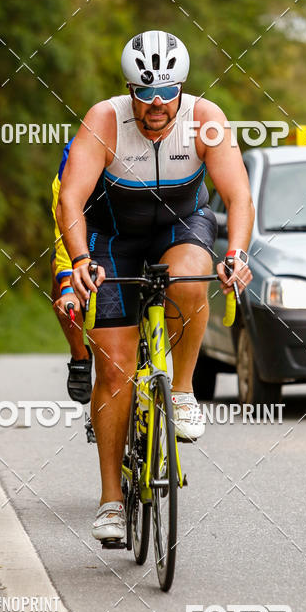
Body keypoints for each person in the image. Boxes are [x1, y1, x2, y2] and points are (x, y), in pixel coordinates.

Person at [57, 30, 255, 542]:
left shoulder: (206, 120)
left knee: (191, 276)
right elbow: (71, 199)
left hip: (181, 226)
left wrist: (235, 253)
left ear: (182, 90)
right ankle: (109, 501)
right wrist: (79, 258)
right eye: (145, 94)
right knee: (116, 370)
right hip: (112, 238)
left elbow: (237, 196)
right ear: (129, 91)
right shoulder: (105, 120)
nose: (157, 105)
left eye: (168, 93)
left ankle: (183, 390)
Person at [50, 138, 92, 403]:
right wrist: (67, 283)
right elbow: (65, 228)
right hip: (83, 229)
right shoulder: (75, 161)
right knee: (63, 285)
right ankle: (80, 356)